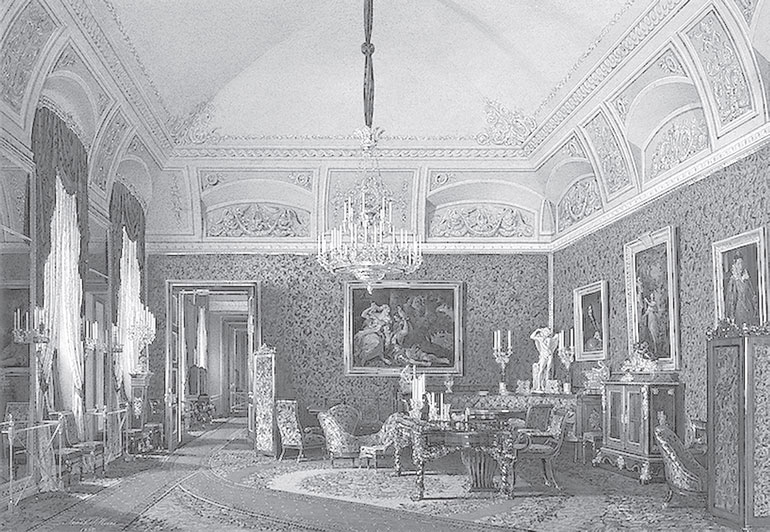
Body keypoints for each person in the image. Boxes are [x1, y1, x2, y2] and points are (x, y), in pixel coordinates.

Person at [725, 253, 758, 326]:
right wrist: (731, 316)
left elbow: (752, 294)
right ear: (735, 265)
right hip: (739, 309)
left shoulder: (746, 279)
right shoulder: (733, 280)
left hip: (748, 307)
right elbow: (731, 299)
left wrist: (755, 307)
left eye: (742, 263)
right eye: (738, 264)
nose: (741, 266)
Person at [530, 327, 559, 393]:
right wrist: (537, 330)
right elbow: (531, 337)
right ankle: (539, 386)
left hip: (549, 355)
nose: (547, 333)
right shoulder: (540, 338)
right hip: (543, 355)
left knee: (548, 370)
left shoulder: (548, 339)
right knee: (541, 370)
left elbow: (548, 348)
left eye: (548, 332)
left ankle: (546, 386)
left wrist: (542, 341)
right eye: (546, 332)